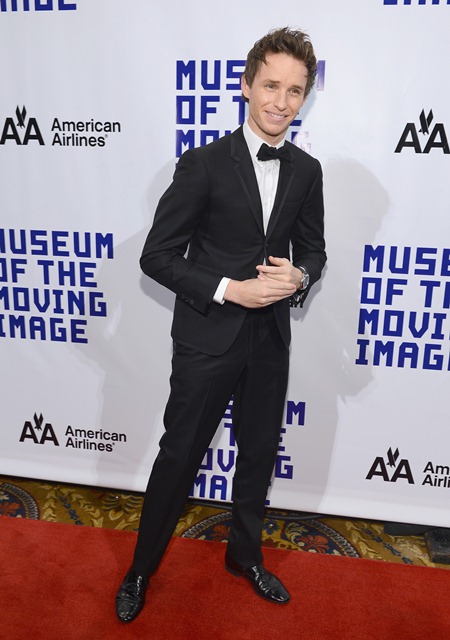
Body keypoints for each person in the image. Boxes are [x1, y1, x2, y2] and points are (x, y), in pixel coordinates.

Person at [116, 26, 326, 623]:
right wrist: (231, 289)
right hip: (208, 338)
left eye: (294, 90)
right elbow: (156, 256)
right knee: (180, 455)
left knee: (257, 453)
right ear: (245, 85)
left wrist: (300, 276)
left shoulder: (307, 170)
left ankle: (245, 557)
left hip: (270, 340)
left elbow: (315, 251)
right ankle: (139, 570)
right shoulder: (203, 164)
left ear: (305, 97)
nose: (281, 102)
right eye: (271, 86)